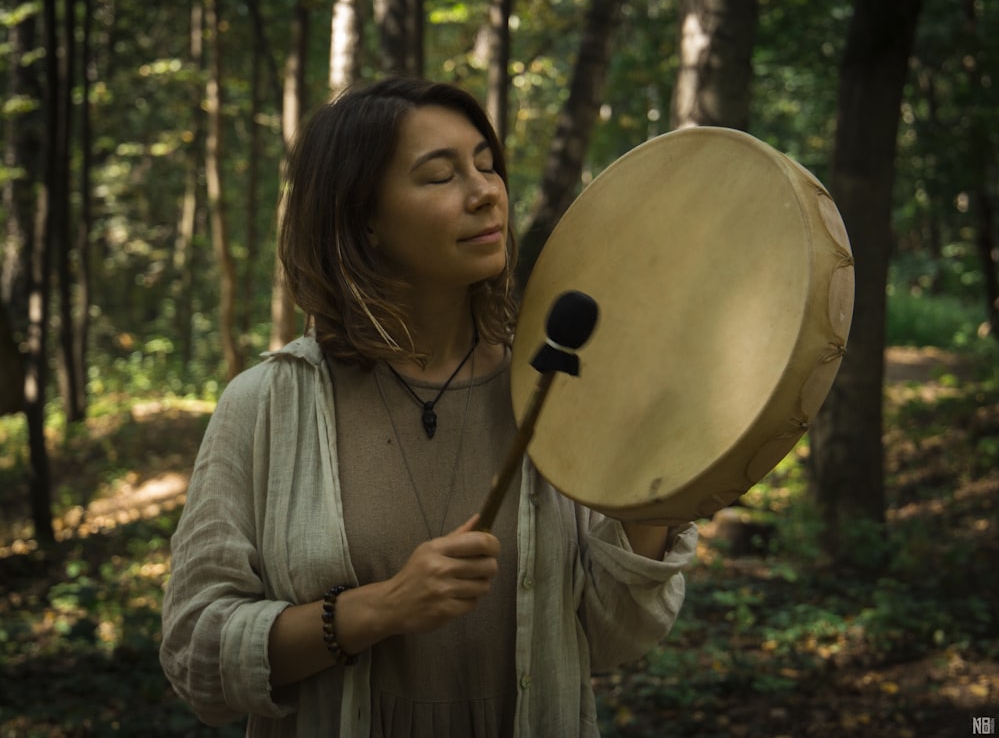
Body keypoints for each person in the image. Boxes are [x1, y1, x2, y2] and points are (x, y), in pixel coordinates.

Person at [159, 77, 698, 738]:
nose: (485, 192)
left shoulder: (555, 388)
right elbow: (196, 655)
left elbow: (616, 636)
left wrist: (656, 502)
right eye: (440, 176)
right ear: (365, 222)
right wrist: (379, 608)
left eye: (485, 163)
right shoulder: (268, 406)